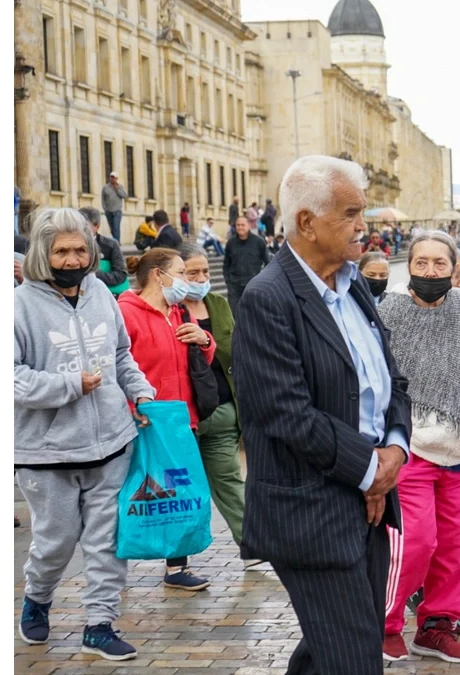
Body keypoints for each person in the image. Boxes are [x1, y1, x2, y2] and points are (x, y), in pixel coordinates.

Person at [232, 156, 412, 675]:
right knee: (354, 660)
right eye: (351, 214)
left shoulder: (354, 283)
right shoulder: (269, 298)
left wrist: (395, 448)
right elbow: (285, 413)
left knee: (331, 651)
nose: (365, 226)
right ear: (307, 222)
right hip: (311, 511)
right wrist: (370, 471)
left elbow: (389, 378)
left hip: (369, 505)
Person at [14, 208, 155, 660]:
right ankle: (37, 596)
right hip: (47, 453)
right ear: (42, 253)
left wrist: (141, 393)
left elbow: (121, 353)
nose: (73, 260)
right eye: (62, 251)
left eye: (79, 249)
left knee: (108, 541)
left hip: (112, 442)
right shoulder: (16, 306)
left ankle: (99, 624)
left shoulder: (99, 293)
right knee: (55, 542)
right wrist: (68, 386)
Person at [378, 232, 460, 663]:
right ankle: (386, 622)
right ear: (408, 266)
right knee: (415, 542)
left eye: (439, 264)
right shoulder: (388, 311)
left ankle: (437, 625)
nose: (430, 272)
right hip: (409, 449)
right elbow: (376, 383)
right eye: (422, 263)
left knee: (457, 545)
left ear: (453, 268)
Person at [119, 248, 215, 592]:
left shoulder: (178, 312)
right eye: (181, 272)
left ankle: (177, 567)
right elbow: (117, 364)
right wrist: (130, 404)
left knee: (176, 492)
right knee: (133, 492)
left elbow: (195, 359)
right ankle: (116, 566)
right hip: (141, 420)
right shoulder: (126, 313)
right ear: (159, 275)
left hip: (179, 419)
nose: (187, 280)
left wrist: (204, 341)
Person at [178, 243, 258, 568]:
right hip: (185, 414)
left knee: (228, 479)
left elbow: (236, 352)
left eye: (205, 271)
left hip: (223, 408)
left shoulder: (218, 303)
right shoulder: (167, 310)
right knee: (182, 486)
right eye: (191, 272)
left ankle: (252, 545)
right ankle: (176, 560)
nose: (200, 277)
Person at [223, 216, 270, 311]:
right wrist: (228, 280)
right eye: (238, 225)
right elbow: (226, 264)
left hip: (253, 284)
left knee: (253, 313)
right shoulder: (230, 243)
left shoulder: (259, 242)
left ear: (248, 226)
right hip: (234, 286)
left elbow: (268, 262)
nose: (240, 227)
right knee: (234, 314)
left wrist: (262, 281)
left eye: (242, 225)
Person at [79, 207, 129, 295]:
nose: (79, 230)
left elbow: (121, 275)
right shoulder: (68, 245)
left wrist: (93, 274)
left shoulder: (111, 245)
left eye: (85, 227)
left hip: (103, 294)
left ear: (97, 226)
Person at [101, 172, 127, 242]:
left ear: (116, 179)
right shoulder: (105, 187)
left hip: (117, 211)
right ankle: (116, 241)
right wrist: (105, 208)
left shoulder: (120, 187)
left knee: (116, 227)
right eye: (111, 177)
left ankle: (117, 243)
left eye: (114, 177)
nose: (112, 179)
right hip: (108, 211)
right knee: (112, 228)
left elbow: (124, 196)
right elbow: (103, 198)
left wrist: (117, 189)